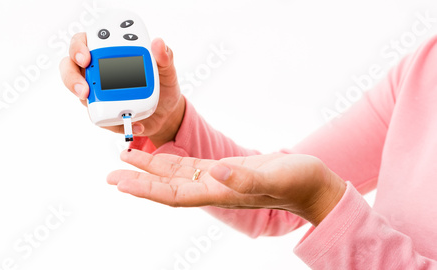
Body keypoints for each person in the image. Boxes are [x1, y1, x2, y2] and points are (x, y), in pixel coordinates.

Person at [60, 33, 437, 269]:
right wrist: (170, 123)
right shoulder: (425, 66)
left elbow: (307, 189)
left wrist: (324, 203)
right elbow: (271, 203)